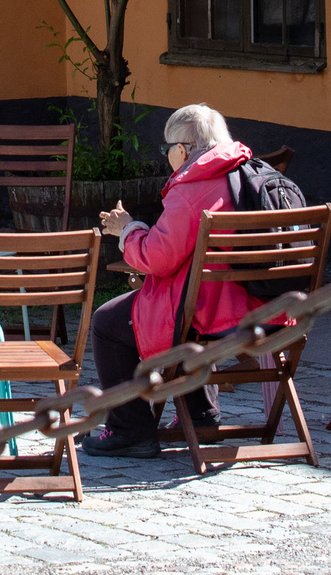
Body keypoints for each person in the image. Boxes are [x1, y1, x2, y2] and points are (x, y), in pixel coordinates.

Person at [81, 103, 249, 458]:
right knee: (188, 308)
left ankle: (131, 429)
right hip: (256, 307)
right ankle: (202, 416)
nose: (167, 156)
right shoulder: (247, 175)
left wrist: (126, 230)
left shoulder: (193, 189)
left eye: (166, 148)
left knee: (108, 322)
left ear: (183, 150)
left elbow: (156, 259)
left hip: (208, 314)